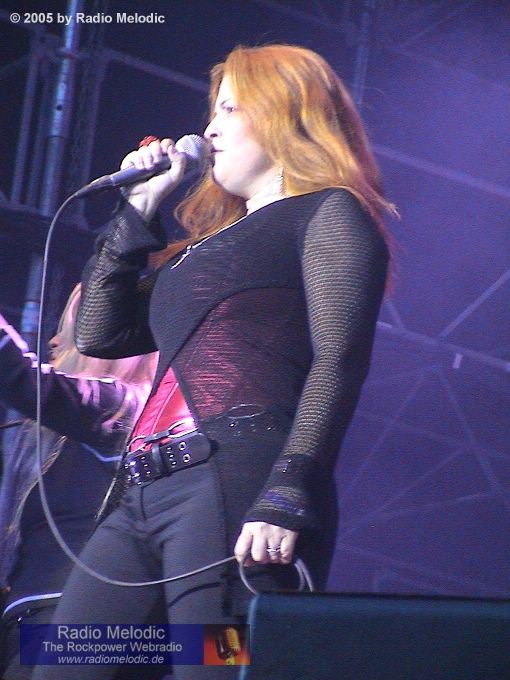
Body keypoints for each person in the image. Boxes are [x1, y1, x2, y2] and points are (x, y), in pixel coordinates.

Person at [33, 44, 395, 680]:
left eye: (230, 109)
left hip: (235, 482)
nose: (209, 128)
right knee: (66, 662)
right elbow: (99, 332)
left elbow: (339, 359)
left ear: (285, 113)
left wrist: (288, 490)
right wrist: (140, 207)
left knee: (216, 664)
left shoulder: (328, 212)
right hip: (142, 494)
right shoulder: (200, 250)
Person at [0, 284, 156, 679]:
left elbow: (23, 379)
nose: (53, 341)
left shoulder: (123, 407)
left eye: (67, 330)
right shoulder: (59, 428)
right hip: (30, 615)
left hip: (71, 617)